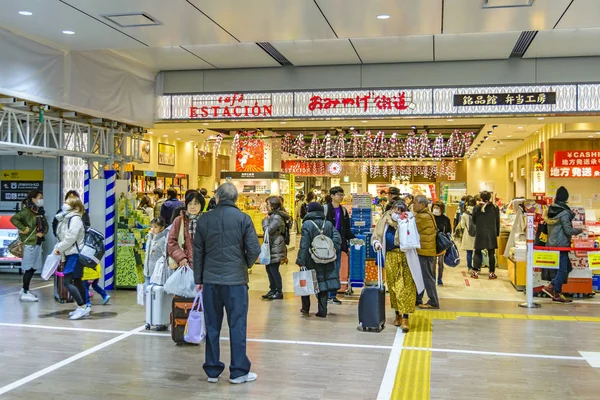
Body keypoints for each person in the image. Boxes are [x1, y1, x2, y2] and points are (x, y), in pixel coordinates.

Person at [193, 182, 261, 384]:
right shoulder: (243, 219)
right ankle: (238, 371)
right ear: (236, 199)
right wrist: (244, 265)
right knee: (237, 324)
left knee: (212, 325)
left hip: (211, 281)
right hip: (236, 283)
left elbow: (198, 251)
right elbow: (254, 249)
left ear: (216, 198)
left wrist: (199, 279)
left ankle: (212, 371)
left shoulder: (205, 219)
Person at [372, 200, 424, 331]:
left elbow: (415, 238)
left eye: (401, 211)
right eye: (396, 210)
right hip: (391, 257)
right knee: (394, 287)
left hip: (406, 257)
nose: (398, 213)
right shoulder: (384, 220)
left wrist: (406, 224)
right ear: (392, 209)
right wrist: (376, 244)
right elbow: (376, 236)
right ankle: (397, 314)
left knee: (406, 288)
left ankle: (405, 317)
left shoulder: (409, 220)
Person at [297, 202, 341, 318]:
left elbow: (304, 244)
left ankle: (305, 308)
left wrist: (301, 259)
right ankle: (322, 310)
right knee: (323, 283)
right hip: (326, 258)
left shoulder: (307, 224)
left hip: (311, 258)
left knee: (305, 281)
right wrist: (331, 250)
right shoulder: (328, 224)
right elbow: (337, 239)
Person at [542, 186, 583, 303]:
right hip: (561, 245)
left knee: (567, 267)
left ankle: (552, 286)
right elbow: (568, 231)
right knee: (563, 270)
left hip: (551, 244)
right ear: (566, 198)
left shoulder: (551, 210)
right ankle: (556, 292)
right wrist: (581, 229)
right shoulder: (564, 213)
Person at [53, 197, 89, 319]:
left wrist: (59, 248)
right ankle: (84, 307)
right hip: (71, 253)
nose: (64, 205)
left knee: (68, 281)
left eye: (67, 203)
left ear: (74, 206)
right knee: (77, 281)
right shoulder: (67, 218)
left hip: (75, 254)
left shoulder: (75, 219)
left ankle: (82, 306)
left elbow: (70, 238)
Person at [11, 190, 48, 302]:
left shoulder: (39, 212)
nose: (41, 200)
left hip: (37, 242)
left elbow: (45, 225)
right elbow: (14, 219)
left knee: (34, 267)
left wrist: (43, 232)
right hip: (29, 244)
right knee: (29, 268)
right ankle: (25, 292)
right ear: (33, 199)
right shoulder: (26, 211)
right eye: (39, 197)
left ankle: (24, 289)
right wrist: (23, 229)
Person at [324, 186, 355, 304]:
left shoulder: (343, 210)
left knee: (336, 269)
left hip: (338, 243)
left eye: (342, 194)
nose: (341, 197)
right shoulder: (325, 209)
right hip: (326, 244)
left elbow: (346, 228)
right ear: (332, 196)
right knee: (326, 269)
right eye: (339, 194)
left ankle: (332, 295)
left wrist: (350, 241)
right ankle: (324, 294)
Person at [413, 195, 440, 309]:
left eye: (415, 203)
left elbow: (412, 227)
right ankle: (417, 299)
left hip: (425, 251)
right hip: (425, 250)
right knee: (421, 275)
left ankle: (433, 301)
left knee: (427, 276)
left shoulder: (422, 217)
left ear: (422, 205)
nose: (413, 205)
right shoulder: (427, 214)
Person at [168, 192, 205, 271]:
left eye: (196, 204)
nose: (192, 207)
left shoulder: (208, 220)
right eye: (190, 204)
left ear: (201, 205)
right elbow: (171, 241)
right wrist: (181, 257)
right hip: (184, 265)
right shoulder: (179, 220)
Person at [261, 196, 289, 300]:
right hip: (273, 245)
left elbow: (268, 230)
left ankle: (278, 291)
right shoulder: (273, 216)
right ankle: (273, 289)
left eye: (267, 204)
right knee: (269, 268)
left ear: (273, 205)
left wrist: (264, 222)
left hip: (276, 246)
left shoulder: (276, 217)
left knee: (273, 269)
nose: (266, 206)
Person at [472, 191, 500, 280]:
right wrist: (497, 233)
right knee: (491, 253)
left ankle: (475, 272)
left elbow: (474, 220)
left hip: (480, 231)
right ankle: (491, 273)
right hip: (491, 232)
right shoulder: (495, 208)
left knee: (477, 251)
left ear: (481, 198)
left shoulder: (476, 208)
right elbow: (497, 221)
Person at [143, 217, 168, 285]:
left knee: (155, 292)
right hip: (147, 271)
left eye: (155, 227)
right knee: (147, 291)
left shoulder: (163, 240)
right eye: (151, 227)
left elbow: (165, 255)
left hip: (157, 273)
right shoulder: (149, 238)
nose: (152, 229)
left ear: (162, 228)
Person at [432, 201, 452, 286]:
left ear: (442, 209)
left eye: (438, 208)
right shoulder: (430, 217)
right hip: (432, 242)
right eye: (434, 208)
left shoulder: (445, 219)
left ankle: (439, 278)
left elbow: (449, 230)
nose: (436, 210)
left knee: (440, 262)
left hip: (441, 242)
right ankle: (433, 278)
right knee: (432, 262)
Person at [460, 198, 477, 272]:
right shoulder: (478, 212)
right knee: (477, 252)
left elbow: (462, 226)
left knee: (469, 252)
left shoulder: (464, 214)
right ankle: (477, 267)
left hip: (468, 235)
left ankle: (469, 268)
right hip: (477, 235)